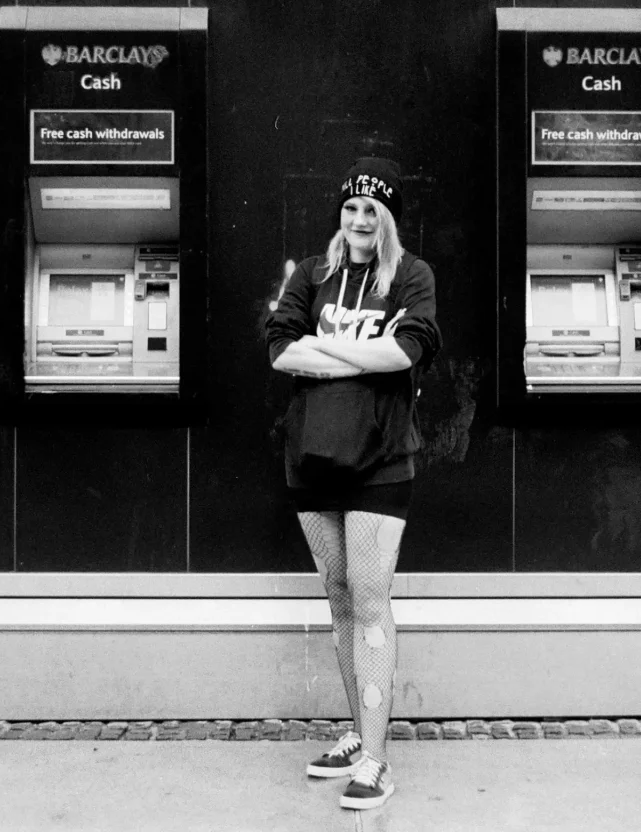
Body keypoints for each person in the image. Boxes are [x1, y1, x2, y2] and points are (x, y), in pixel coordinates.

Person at [264, 157, 441, 811]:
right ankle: (356, 732)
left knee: (370, 604)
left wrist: (326, 349)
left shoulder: (411, 275)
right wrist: (356, 355)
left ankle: (376, 759)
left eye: (373, 210)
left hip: (380, 464)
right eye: (351, 208)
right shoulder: (314, 274)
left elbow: (407, 351)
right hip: (309, 460)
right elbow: (281, 348)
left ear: (387, 218)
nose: (361, 219)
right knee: (339, 599)